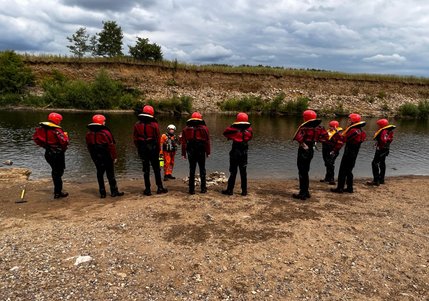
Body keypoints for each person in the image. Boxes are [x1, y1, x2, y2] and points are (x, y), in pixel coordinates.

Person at [86, 114, 124, 198]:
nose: (104, 122)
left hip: (96, 157)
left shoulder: (89, 134)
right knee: (110, 174)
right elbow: (111, 146)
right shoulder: (106, 133)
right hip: (107, 157)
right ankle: (114, 191)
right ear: (101, 122)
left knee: (100, 174)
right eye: (104, 121)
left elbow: (89, 147)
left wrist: (93, 157)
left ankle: (102, 193)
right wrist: (114, 157)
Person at [292, 110, 328, 200]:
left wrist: (304, 145)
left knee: (302, 171)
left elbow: (298, 138)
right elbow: (326, 138)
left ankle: (302, 193)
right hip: (311, 149)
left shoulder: (304, 127)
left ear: (306, 117)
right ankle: (306, 192)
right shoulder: (319, 128)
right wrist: (317, 140)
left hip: (304, 150)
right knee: (306, 171)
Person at [33, 112, 69, 199]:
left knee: (55, 171)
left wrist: (45, 146)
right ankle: (58, 192)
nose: (60, 122)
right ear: (56, 120)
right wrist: (66, 137)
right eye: (59, 120)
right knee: (58, 172)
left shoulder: (41, 129)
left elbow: (36, 139)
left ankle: (57, 191)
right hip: (57, 154)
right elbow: (64, 142)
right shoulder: (56, 130)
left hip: (48, 153)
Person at [133, 105, 168, 196]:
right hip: (153, 149)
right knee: (156, 169)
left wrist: (139, 149)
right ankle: (159, 188)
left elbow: (135, 139)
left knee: (146, 170)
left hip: (142, 149)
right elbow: (157, 139)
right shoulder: (154, 125)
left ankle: (147, 189)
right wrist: (158, 150)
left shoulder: (137, 124)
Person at [331, 113, 367, 194]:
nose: (348, 120)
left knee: (343, 170)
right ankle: (349, 188)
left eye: (350, 119)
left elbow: (343, 139)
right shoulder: (361, 131)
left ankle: (340, 188)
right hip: (355, 153)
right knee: (349, 170)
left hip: (349, 152)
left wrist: (337, 133)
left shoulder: (353, 130)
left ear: (353, 120)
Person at [221, 112, 253, 196]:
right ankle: (244, 191)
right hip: (244, 153)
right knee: (243, 172)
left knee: (233, 172)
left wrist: (233, 126)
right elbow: (250, 137)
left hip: (235, 152)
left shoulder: (233, 129)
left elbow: (225, 132)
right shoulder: (249, 129)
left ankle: (230, 190)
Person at [181, 112, 211, 195]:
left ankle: (191, 190)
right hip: (201, 150)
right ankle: (203, 189)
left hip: (191, 150)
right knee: (202, 169)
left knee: (192, 169)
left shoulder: (186, 129)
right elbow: (207, 141)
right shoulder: (205, 128)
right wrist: (208, 152)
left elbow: (184, 143)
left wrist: (183, 153)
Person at [366, 118, 396, 186]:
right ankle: (381, 179)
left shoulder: (383, 131)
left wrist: (379, 146)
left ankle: (376, 180)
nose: (378, 126)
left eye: (379, 125)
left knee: (374, 163)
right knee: (382, 163)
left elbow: (383, 140)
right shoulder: (389, 130)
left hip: (381, 149)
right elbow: (389, 140)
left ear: (381, 125)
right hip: (386, 149)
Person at [320, 120, 344, 185]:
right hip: (325, 150)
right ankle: (327, 178)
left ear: (335, 126)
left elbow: (340, 143)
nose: (330, 127)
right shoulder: (327, 131)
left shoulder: (339, 133)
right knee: (327, 163)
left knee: (330, 163)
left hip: (333, 150)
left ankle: (332, 179)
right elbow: (323, 138)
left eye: (332, 126)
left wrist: (334, 151)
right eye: (330, 126)